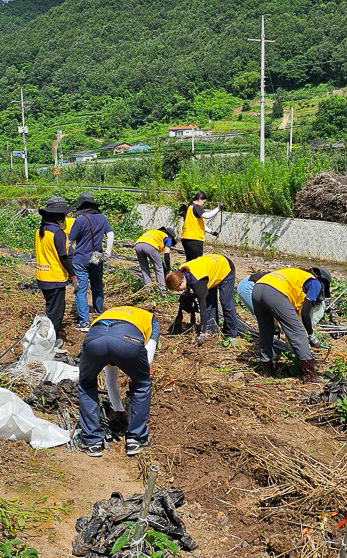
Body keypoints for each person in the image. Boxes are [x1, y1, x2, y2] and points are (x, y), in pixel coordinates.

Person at [73, 306, 158, 457]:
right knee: (142, 384)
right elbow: (147, 359)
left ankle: (92, 442)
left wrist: (119, 409)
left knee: (86, 384)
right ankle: (136, 439)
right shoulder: (151, 319)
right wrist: (138, 376)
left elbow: (110, 380)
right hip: (127, 340)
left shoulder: (106, 315)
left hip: (95, 339)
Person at [251, 267, 331, 383]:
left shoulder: (297, 274)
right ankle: (310, 376)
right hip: (275, 292)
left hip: (258, 288)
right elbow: (305, 313)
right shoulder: (315, 283)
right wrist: (311, 335)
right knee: (298, 333)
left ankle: (267, 371)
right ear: (322, 282)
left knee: (266, 331)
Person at [67, 192, 114, 330]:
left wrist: (68, 254)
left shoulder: (80, 220)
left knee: (81, 290)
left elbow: (69, 241)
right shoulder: (102, 218)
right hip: (97, 258)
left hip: (80, 259)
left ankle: (84, 322)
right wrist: (107, 253)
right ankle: (98, 314)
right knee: (97, 286)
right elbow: (110, 234)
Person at [165, 254, 238, 340]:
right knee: (209, 301)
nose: (177, 291)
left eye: (177, 288)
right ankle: (211, 329)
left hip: (224, 267)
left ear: (182, 281)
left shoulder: (197, 282)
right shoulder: (180, 272)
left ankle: (231, 334)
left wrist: (202, 332)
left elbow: (203, 309)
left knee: (226, 303)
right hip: (209, 272)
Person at [35, 197, 77, 345]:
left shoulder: (41, 230)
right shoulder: (57, 233)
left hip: (42, 276)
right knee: (57, 313)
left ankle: (46, 336)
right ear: (57, 215)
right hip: (54, 277)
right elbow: (63, 257)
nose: (65, 217)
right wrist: (73, 275)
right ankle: (49, 341)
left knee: (50, 308)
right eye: (63, 215)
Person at [179, 191, 220, 261]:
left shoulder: (189, 208)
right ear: (200, 199)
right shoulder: (196, 207)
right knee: (197, 262)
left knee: (190, 261)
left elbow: (198, 224)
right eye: (203, 201)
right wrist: (218, 208)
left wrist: (211, 232)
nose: (203, 204)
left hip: (186, 238)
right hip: (194, 239)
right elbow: (207, 215)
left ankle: (185, 272)